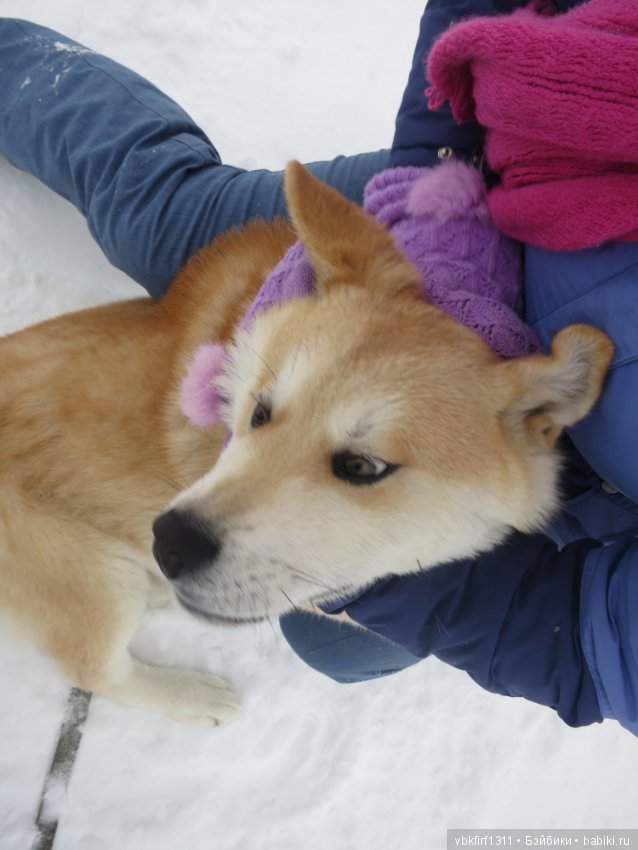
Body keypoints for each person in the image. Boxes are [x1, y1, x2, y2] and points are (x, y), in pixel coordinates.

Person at [0, 0, 636, 737]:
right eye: (262, 410)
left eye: (359, 465)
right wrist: (434, 188)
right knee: (161, 218)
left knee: (329, 642)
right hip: (516, 182)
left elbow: (591, 645)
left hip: (551, 464)